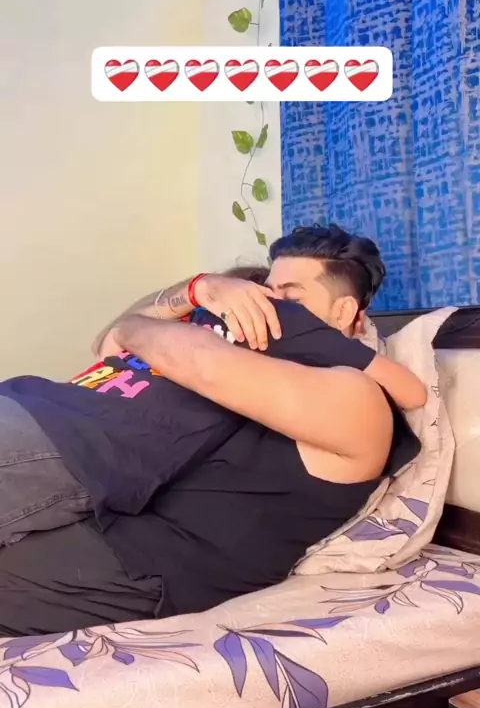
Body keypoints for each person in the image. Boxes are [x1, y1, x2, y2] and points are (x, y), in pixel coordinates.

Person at [0, 224, 423, 636]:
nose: (264, 305)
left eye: (290, 297)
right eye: (265, 291)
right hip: (111, 504)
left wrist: (134, 325)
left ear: (344, 312)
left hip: (143, 558)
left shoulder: (358, 398)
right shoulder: (253, 363)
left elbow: (197, 360)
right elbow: (108, 348)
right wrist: (194, 291)